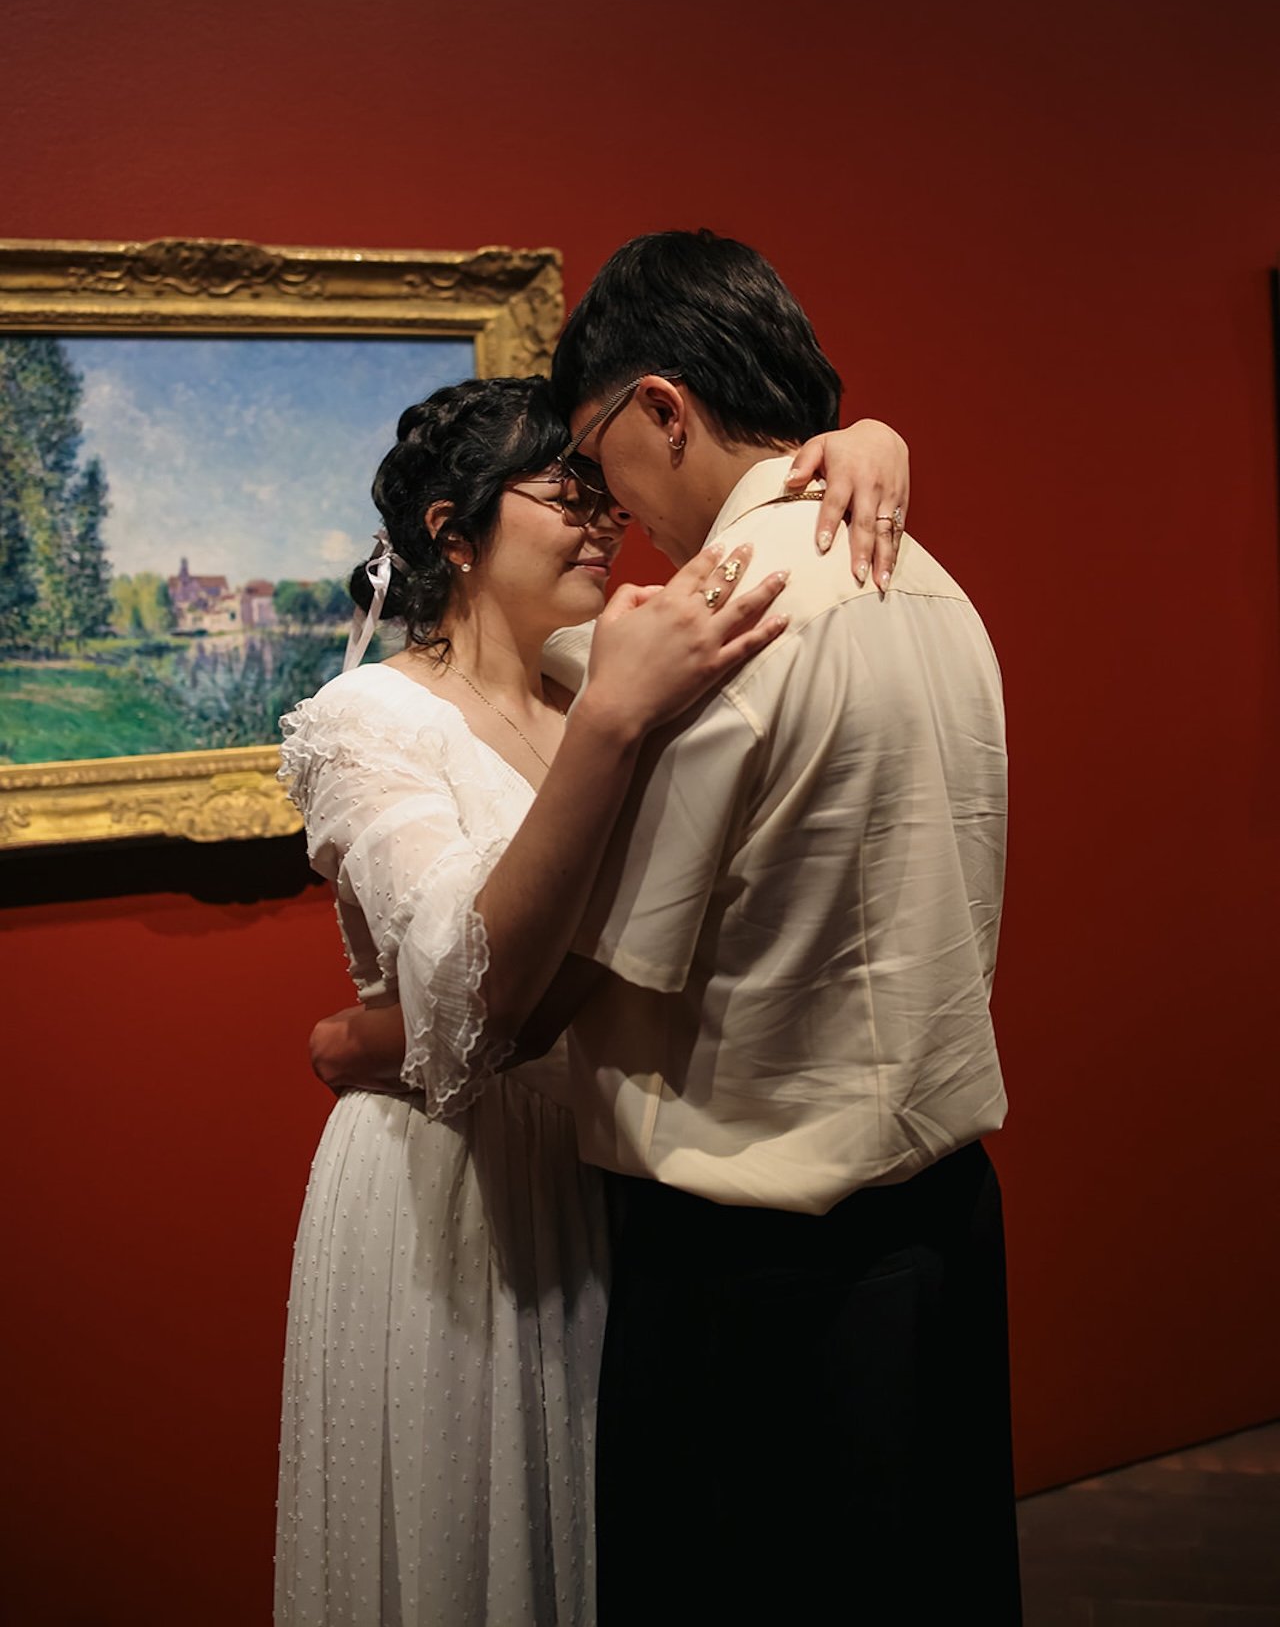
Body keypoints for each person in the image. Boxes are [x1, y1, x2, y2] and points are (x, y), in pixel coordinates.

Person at [274, 371, 911, 1627]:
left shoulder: (601, 677)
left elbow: (762, 499)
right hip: (455, 1190)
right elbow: (464, 1007)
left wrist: (865, 440)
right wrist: (387, 1035)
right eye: (559, 493)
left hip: (620, 1162)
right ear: (451, 533)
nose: (597, 519)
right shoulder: (370, 719)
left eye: (598, 491)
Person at [545, 230, 1021, 1626]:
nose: (610, 507)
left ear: (660, 408)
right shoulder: (939, 588)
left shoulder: (722, 621)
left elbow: (598, 962)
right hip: (944, 1225)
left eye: (599, 455)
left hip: (753, 1268)